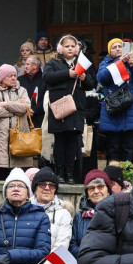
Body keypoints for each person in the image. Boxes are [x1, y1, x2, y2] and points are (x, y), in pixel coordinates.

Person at [42, 35, 96, 183]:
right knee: (60, 140)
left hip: (77, 108)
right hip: (60, 107)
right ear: (61, 48)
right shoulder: (53, 62)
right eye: (67, 46)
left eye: (73, 46)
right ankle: (59, 172)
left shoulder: (81, 63)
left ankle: (70, 173)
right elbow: (47, 77)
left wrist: (84, 78)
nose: (70, 48)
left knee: (73, 141)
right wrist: (68, 74)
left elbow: (91, 85)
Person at [95, 39, 133, 168]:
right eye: (114, 47)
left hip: (130, 110)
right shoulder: (106, 63)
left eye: (120, 46)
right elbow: (102, 78)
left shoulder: (131, 63)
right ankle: (113, 175)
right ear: (110, 51)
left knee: (128, 146)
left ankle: (127, 175)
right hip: (114, 111)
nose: (118, 49)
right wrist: (119, 63)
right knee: (113, 147)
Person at [0, 64, 34, 180]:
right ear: (2, 78)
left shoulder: (22, 91)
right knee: (0, 175)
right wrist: (16, 107)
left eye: (14, 75)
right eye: (10, 76)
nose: (13, 78)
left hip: (20, 139)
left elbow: (25, 108)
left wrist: (7, 104)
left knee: (18, 178)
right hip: (0, 139)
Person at [18, 56, 46, 128]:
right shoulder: (20, 80)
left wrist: (34, 111)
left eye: (27, 64)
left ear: (35, 66)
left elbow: (45, 99)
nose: (25, 66)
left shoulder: (45, 79)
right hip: (23, 116)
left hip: (39, 118)